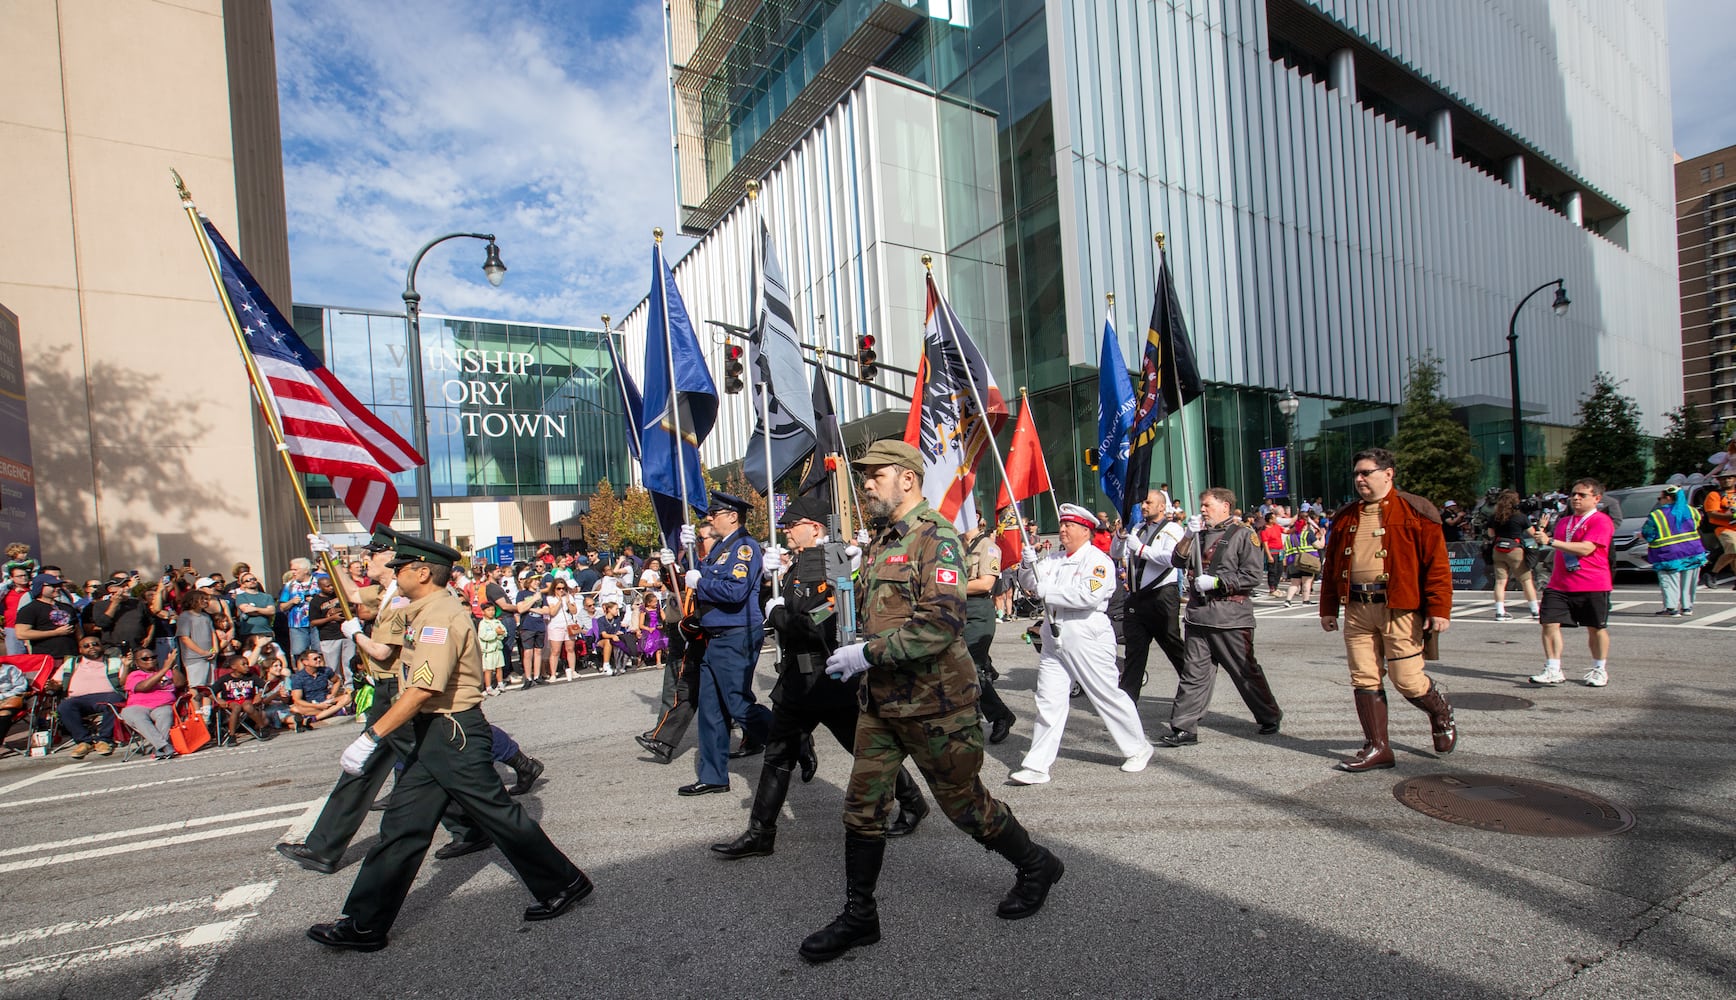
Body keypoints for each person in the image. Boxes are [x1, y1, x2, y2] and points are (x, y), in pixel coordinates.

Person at [799, 440, 1062, 964]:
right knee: (862, 808)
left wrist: (865, 655)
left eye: (876, 474)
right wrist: (833, 586)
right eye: (865, 474)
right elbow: (878, 606)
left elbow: (939, 626)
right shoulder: (880, 539)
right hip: (881, 703)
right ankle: (860, 916)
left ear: (908, 479)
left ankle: (1036, 864)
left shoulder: (935, 538)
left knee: (966, 807)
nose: (867, 483)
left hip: (934, 703)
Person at [306, 533, 592, 952]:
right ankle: (365, 923)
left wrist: (372, 736)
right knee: (402, 826)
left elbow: (423, 688)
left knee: (498, 816)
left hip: (451, 731)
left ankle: (563, 882)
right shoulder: (422, 609)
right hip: (436, 732)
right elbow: (378, 623)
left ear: (422, 572)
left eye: (401, 567)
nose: (394, 572)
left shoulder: (438, 617)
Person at [279, 531, 543, 879]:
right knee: (415, 770)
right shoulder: (391, 593)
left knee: (423, 768)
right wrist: (330, 558)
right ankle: (473, 827)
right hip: (401, 690)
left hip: (403, 690)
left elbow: (392, 656)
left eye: (382, 557)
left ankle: (328, 848)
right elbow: (354, 593)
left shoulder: (409, 602)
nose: (374, 562)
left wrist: (356, 636)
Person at [711, 494, 929, 859]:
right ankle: (761, 832)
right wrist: (770, 587)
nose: (785, 531)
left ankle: (912, 800)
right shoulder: (800, 562)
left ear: (814, 528)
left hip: (826, 680)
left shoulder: (832, 563)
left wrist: (776, 614)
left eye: (791, 525)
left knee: (862, 749)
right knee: (777, 756)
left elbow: (820, 621)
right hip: (799, 682)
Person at [1318, 448, 1458, 772]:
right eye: (1356, 474)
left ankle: (1439, 712)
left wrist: (1440, 608)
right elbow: (1331, 567)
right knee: (1364, 677)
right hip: (1357, 608)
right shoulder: (1346, 515)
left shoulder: (1416, 510)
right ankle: (1378, 747)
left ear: (1388, 473)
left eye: (1366, 472)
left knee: (1408, 680)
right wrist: (1328, 608)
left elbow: (1436, 565)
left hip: (1399, 608)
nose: (1359, 479)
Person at [1009, 503, 1152, 784]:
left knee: (1106, 694)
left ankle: (1138, 747)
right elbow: (1030, 584)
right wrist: (1028, 564)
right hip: (1055, 634)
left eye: (1069, 526)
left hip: (1086, 632)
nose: (1063, 530)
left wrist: (1046, 589)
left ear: (1085, 531)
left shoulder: (1098, 561)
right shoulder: (1055, 559)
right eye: (1062, 525)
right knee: (1048, 700)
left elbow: (1086, 596)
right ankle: (1037, 765)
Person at [1157, 487, 1284, 748]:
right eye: (1202, 505)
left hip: (1230, 618)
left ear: (1225, 506)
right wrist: (1189, 535)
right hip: (1198, 616)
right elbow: (1178, 561)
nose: (1202, 509)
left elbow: (1251, 576)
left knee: (1244, 671)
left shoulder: (1244, 535)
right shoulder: (1199, 535)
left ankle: (1269, 714)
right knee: (1194, 674)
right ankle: (1184, 727)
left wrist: (1217, 582)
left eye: (1207, 505)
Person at [675, 492, 774, 796]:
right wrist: (684, 554)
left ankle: (789, 737)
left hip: (736, 633)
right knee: (711, 709)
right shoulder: (720, 547)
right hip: (715, 635)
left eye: (714, 514)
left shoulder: (744, 548)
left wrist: (700, 583)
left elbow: (735, 592)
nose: (709, 518)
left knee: (738, 704)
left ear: (732, 516)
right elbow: (701, 574)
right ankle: (714, 775)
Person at [1528, 478, 1616, 688]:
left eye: (1582, 495)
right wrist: (1542, 536)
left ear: (1596, 499)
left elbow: (1587, 548)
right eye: (1573, 494)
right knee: (1549, 623)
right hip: (1560, 584)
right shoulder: (1565, 521)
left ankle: (1599, 669)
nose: (1575, 498)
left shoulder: (1601, 521)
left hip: (1592, 583)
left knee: (1596, 628)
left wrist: (1550, 541)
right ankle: (1553, 668)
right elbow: (1559, 546)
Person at [1120, 488, 1187, 702]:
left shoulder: (1173, 529)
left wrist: (1140, 549)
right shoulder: (1138, 528)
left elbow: (1171, 558)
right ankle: (1127, 706)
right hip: (1137, 598)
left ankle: (1194, 691)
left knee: (1173, 646)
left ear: (1161, 506)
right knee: (1134, 654)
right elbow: (1117, 554)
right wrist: (1119, 538)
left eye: (1149, 502)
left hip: (1161, 596)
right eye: (1143, 503)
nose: (1144, 506)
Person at [961, 519, 1016, 744]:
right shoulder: (952, 544)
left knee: (969, 668)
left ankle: (1000, 715)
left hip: (977, 612)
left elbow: (985, 584)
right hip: (954, 610)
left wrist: (947, 585)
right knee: (951, 667)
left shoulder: (988, 547)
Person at [49, 634, 127, 758]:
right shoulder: (71, 663)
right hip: (78, 699)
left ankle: (105, 740)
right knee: (65, 706)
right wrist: (53, 686)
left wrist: (127, 666)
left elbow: (124, 683)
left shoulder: (114, 661)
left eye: (95, 644)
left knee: (116, 700)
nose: (91, 647)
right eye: (86, 646)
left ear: (102, 646)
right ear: (80, 650)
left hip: (106, 697)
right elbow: (57, 683)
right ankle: (84, 741)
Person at [1644, 485, 1708, 617]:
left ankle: (1671, 608)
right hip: (1693, 551)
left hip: (1668, 554)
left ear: (1667, 498)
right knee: (1689, 582)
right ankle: (1687, 607)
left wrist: (1643, 536)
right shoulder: (1692, 511)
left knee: (1669, 581)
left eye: (1659, 498)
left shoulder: (1657, 515)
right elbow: (1695, 526)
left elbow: (1648, 533)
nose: (1659, 501)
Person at [121, 647, 186, 760]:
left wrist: (173, 666)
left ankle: (159, 749)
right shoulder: (135, 675)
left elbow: (180, 684)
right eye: (145, 658)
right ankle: (164, 746)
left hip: (162, 706)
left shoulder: (168, 672)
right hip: (138, 707)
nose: (150, 660)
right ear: (137, 663)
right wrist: (165, 669)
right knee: (136, 716)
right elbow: (144, 687)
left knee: (166, 713)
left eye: (153, 657)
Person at [1486, 490, 1540, 621]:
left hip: (1498, 549)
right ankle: (1535, 610)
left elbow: (1490, 534)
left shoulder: (1494, 517)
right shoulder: (1520, 517)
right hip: (1515, 550)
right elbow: (1533, 534)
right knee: (1526, 580)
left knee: (1500, 582)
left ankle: (1499, 611)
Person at [15, 573, 80, 660]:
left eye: (59, 585)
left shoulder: (67, 607)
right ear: (40, 587)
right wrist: (55, 633)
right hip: (47, 658)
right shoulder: (30, 609)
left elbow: (78, 631)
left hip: (71, 656)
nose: (57, 588)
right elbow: (21, 633)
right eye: (53, 586)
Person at [215, 651, 271, 742]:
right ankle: (232, 735)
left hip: (248, 699)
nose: (247, 666)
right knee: (236, 708)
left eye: (247, 664)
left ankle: (262, 727)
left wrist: (259, 694)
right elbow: (209, 692)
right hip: (230, 701)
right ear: (234, 667)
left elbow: (266, 687)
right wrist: (218, 699)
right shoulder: (225, 679)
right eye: (243, 664)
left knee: (248, 706)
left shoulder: (251, 676)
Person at [287, 649, 353, 726]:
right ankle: (336, 711)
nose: (318, 660)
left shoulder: (326, 670)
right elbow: (297, 699)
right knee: (294, 709)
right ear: (305, 662)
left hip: (327, 701)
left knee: (348, 697)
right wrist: (317, 706)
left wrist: (332, 694)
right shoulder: (298, 677)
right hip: (311, 705)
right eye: (315, 659)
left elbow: (337, 680)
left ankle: (315, 718)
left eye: (319, 658)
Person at [1280, 510, 1325, 607]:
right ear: (1305, 525)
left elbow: (1285, 549)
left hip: (1292, 561)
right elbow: (1320, 546)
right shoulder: (1308, 534)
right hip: (1307, 561)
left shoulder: (1289, 537)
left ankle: (1288, 600)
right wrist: (1323, 536)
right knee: (1307, 581)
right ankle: (1305, 600)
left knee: (1294, 583)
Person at [1701, 472, 1736, 585]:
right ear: (1719, 481)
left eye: (1729, 478)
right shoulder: (1714, 495)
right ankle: (1712, 574)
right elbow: (1712, 514)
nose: (1726, 480)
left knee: (1733, 554)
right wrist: (1732, 516)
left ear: (1734, 479)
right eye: (1723, 479)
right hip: (1724, 528)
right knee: (1734, 548)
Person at [478, 605, 508, 693]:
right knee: (488, 669)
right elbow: (484, 636)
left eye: (493, 610)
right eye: (488, 610)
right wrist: (496, 633)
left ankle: (500, 683)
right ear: (483, 612)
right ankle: (488, 687)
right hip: (488, 650)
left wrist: (501, 634)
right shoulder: (483, 623)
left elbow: (504, 632)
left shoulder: (497, 622)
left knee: (499, 667)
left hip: (498, 648)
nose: (491, 612)